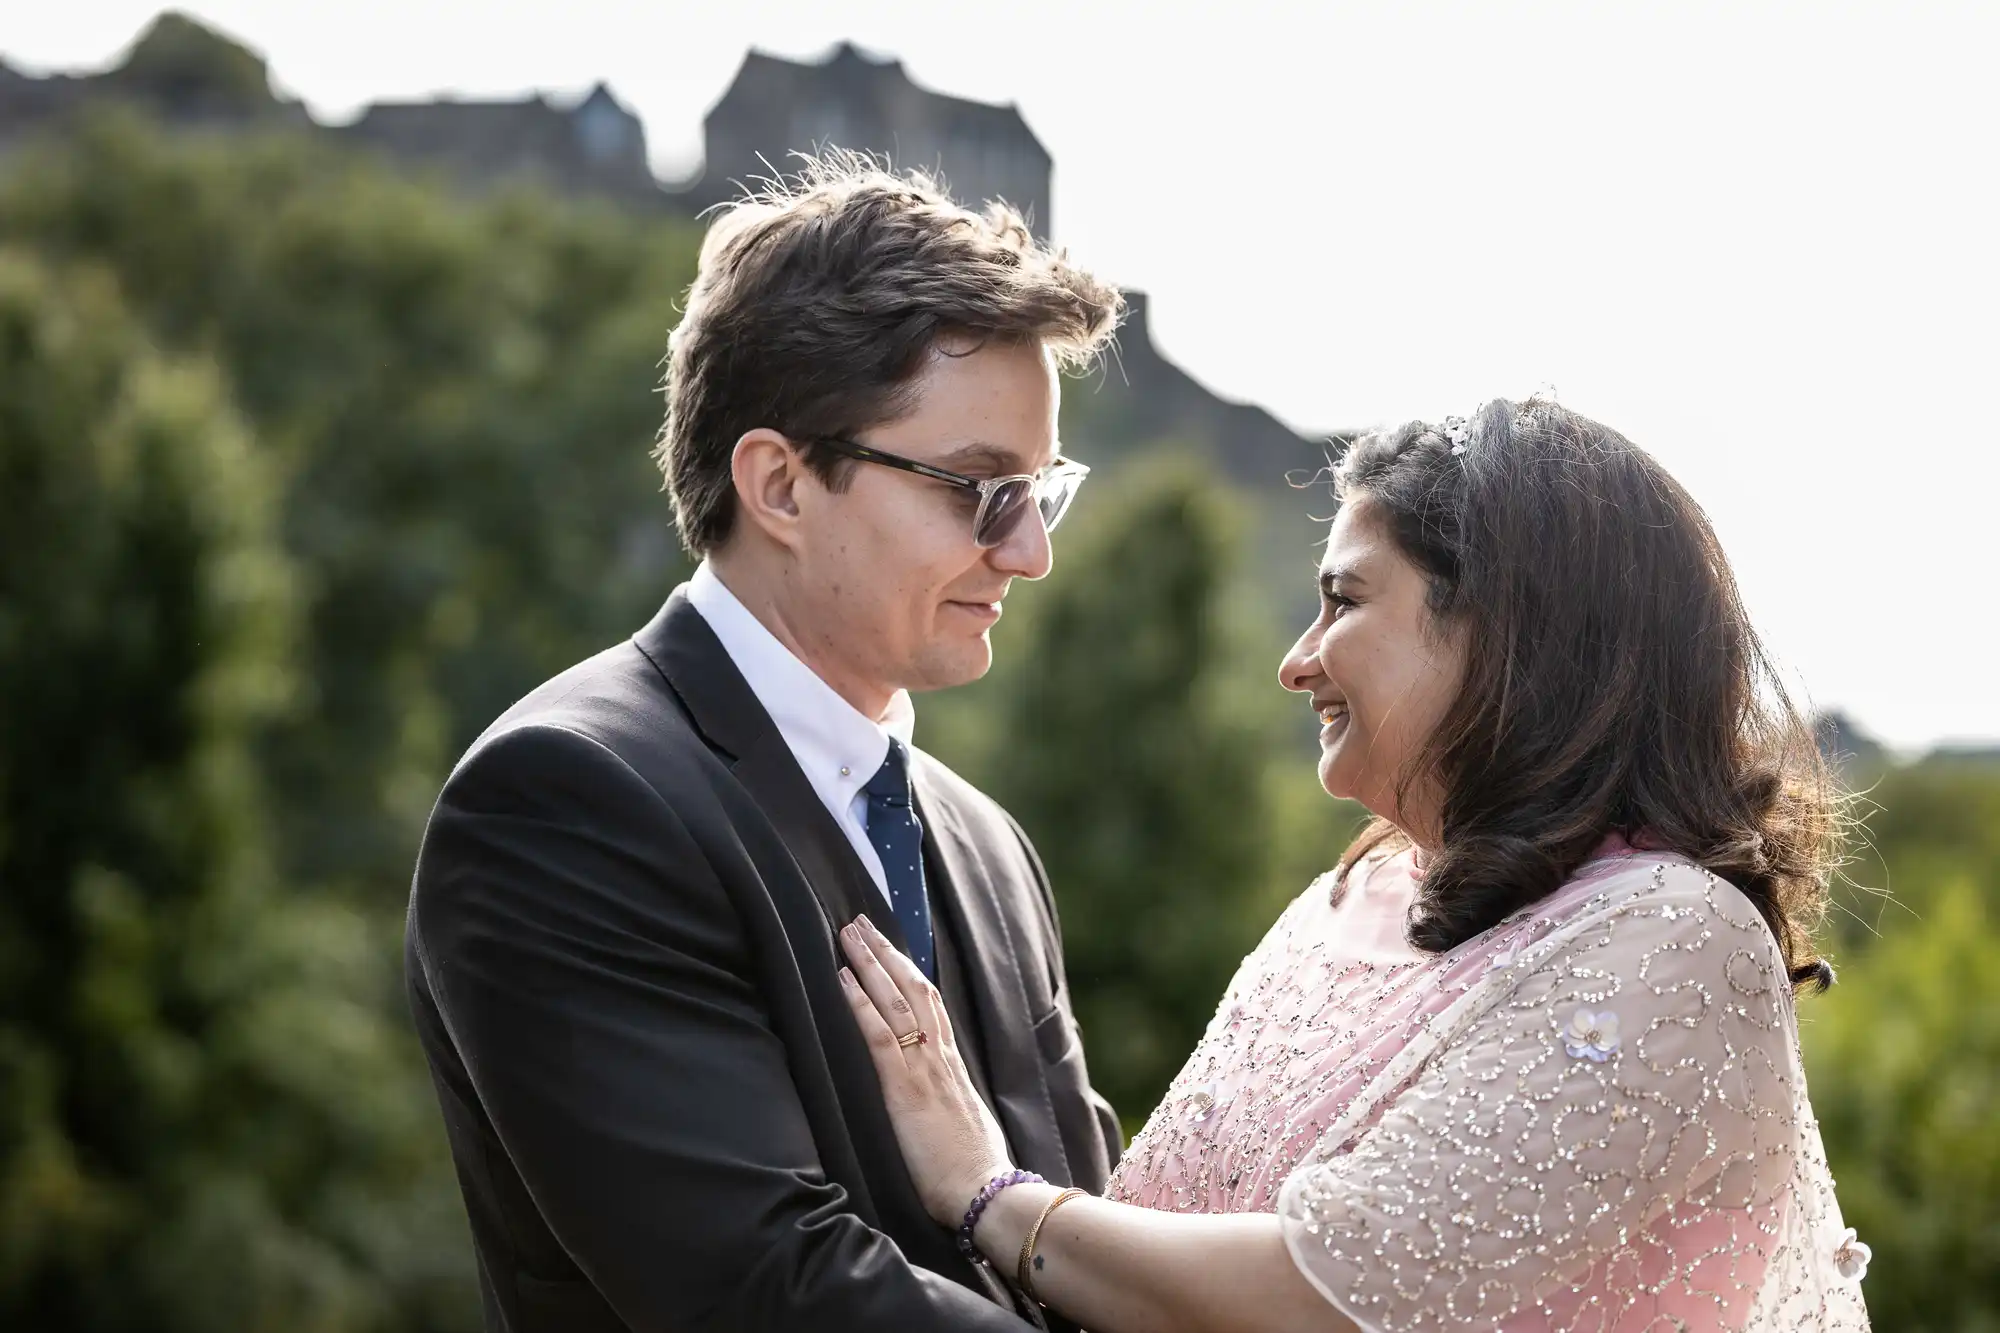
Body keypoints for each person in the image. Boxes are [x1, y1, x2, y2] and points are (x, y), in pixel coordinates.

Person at [837, 396, 1873, 1332]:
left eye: (1342, 600)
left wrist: (982, 1187)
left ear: (1509, 632)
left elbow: (1322, 1293)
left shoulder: (1676, 938)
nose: (1296, 659)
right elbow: (1149, 1235)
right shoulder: (1351, 898)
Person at [404, 157, 1125, 1331]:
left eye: (1041, 492)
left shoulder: (987, 845)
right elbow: (771, 1287)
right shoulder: (565, 801)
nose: (1029, 551)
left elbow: (1086, 1231)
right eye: (978, 489)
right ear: (780, 485)